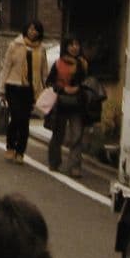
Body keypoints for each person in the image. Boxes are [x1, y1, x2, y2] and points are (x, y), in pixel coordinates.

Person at [0, 21, 47, 165]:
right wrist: (1, 88)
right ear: (26, 30)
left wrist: (44, 90)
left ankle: (20, 151)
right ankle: (10, 147)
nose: (33, 32)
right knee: (16, 117)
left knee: (25, 121)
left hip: (31, 89)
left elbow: (44, 72)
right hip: (14, 86)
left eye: (36, 30)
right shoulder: (15, 45)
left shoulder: (41, 49)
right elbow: (6, 67)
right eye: (31, 29)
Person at [44, 42, 97, 178]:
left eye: (77, 44)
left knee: (77, 135)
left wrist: (79, 88)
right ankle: (54, 162)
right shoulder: (58, 63)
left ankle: (75, 166)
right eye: (71, 44)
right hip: (61, 103)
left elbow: (89, 82)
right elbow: (50, 82)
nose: (75, 47)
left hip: (78, 104)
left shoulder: (83, 64)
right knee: (58, 134)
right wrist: (63, 88)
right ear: (66, 47)